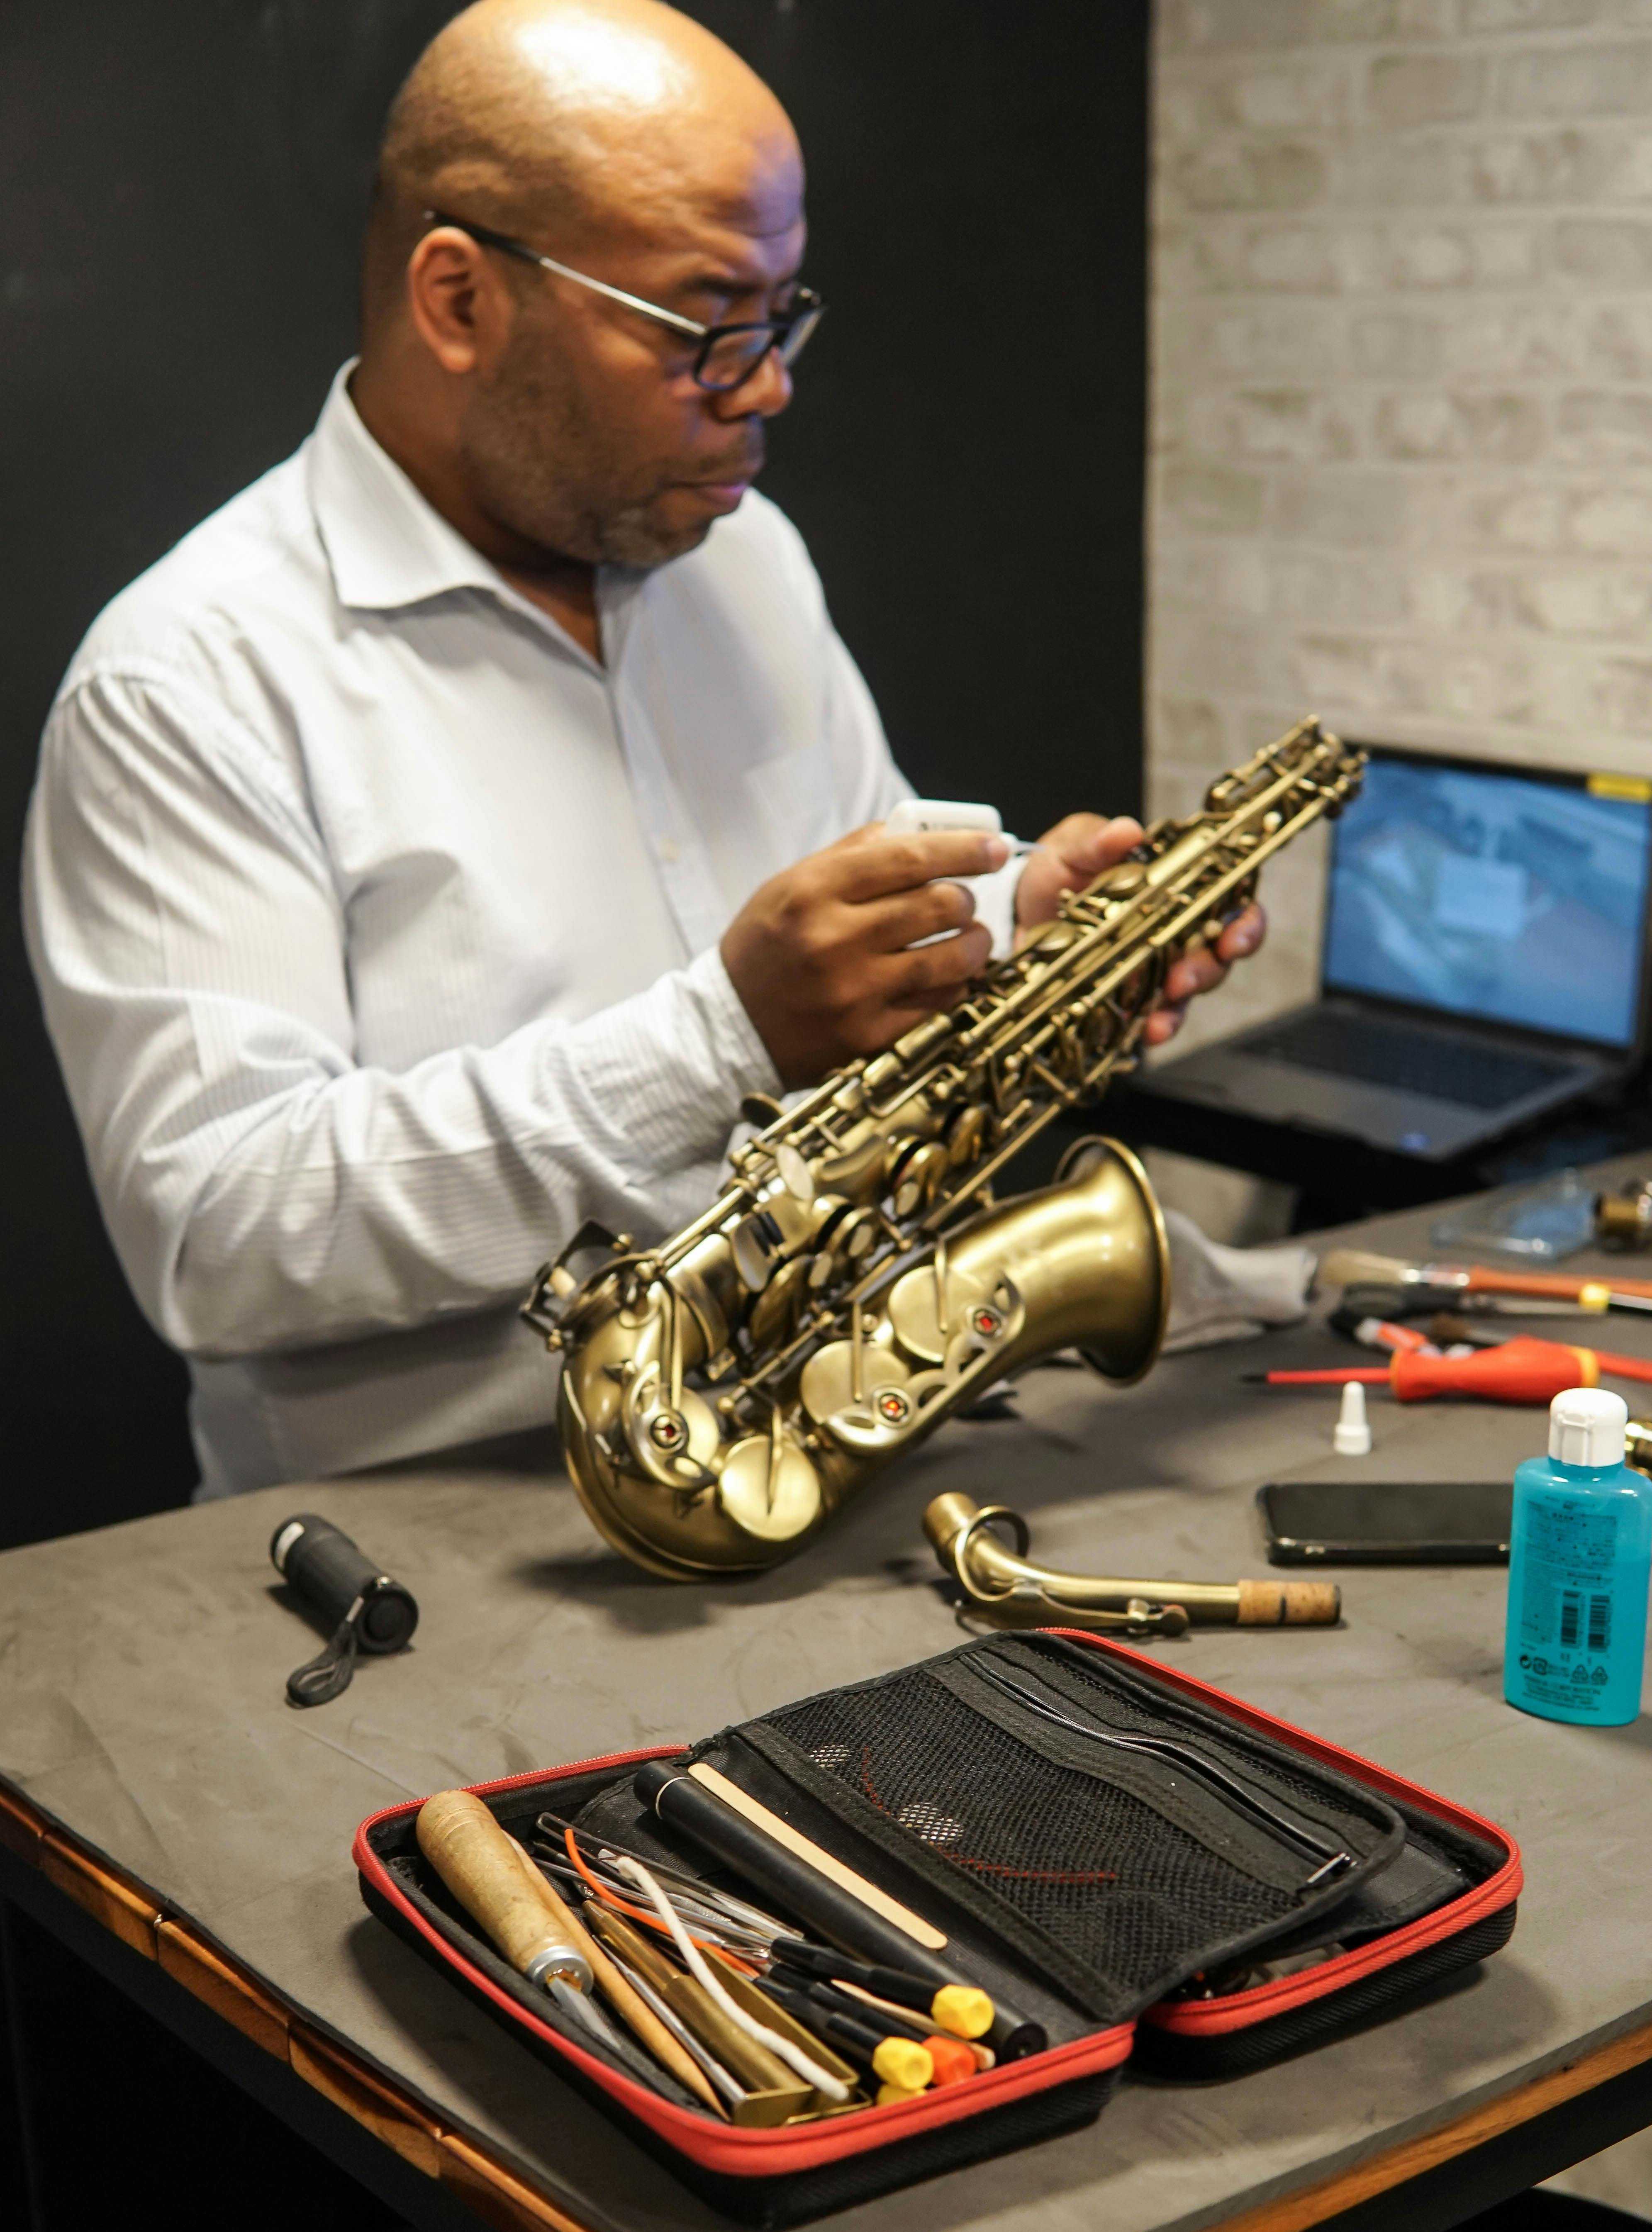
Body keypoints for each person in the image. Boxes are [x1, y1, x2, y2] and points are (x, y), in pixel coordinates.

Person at [23, 0, 1264, 1496]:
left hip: (821, 1473)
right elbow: (220, 1238)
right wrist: (722, 1039)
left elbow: (841, 966)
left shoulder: (752, 567)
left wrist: (1015, 938)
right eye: (705, 328)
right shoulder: (188, 683)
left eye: (785, 314)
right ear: (460, 299)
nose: (767, 387)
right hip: (427, 1575)